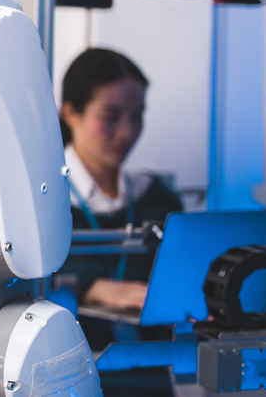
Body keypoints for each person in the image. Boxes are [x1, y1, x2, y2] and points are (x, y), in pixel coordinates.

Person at [55, 48, 182, 350]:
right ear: (71, 113)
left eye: (137, 116)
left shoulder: (157, 199)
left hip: (152, 363)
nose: (127, 132)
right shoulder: (42, 198)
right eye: (111, 117)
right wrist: (91, 288)